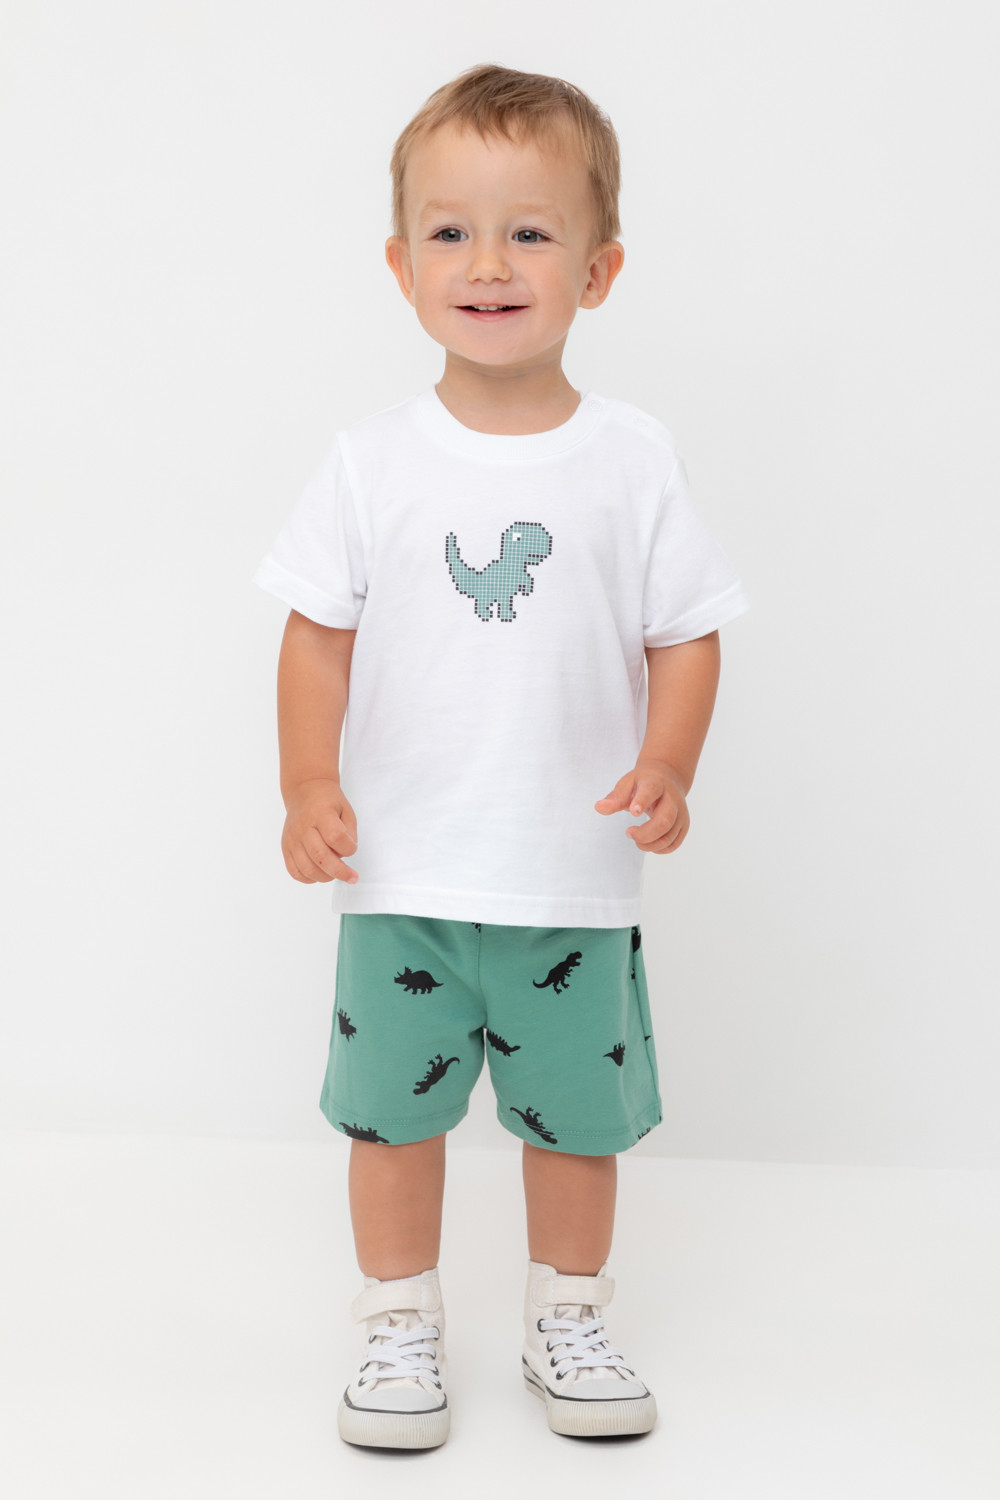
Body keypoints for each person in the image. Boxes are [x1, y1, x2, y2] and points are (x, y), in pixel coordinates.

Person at [252, 62, 750, 1450]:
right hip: (404, 872)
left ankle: (567, 1317)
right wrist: (307, 783)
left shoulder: (632, 460)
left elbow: (687, 632)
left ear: (598, 270)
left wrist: (670, 762)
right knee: (390, 1122)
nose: (488, 263)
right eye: (452, 232)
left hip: (568, 876)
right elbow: (315, 638)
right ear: (402, 264)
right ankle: (398, 1321)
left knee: (576, 1124)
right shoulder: (371, 462)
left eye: (530, 232)